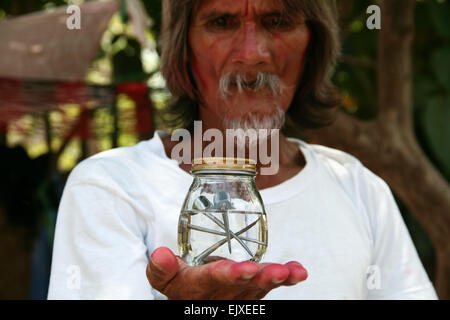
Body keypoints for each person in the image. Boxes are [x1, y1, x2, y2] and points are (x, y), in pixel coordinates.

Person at [48, 0, 438, 300]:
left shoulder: (357, 187)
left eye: (279, 21)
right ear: (183, 49)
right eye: (221, 22)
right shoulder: (111, 189)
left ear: (313, 46)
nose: (252, 54)